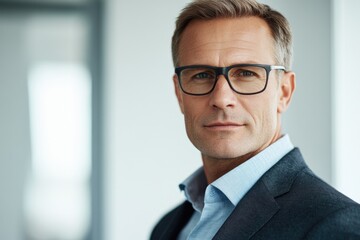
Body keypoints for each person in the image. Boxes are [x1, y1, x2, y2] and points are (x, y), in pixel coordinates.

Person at [150, 0, 360, 239]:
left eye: (246, 73)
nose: (221, 98)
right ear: (179, 94)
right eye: (201, 75)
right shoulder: (167, 227)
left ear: (284, 91)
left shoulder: (338, 227)